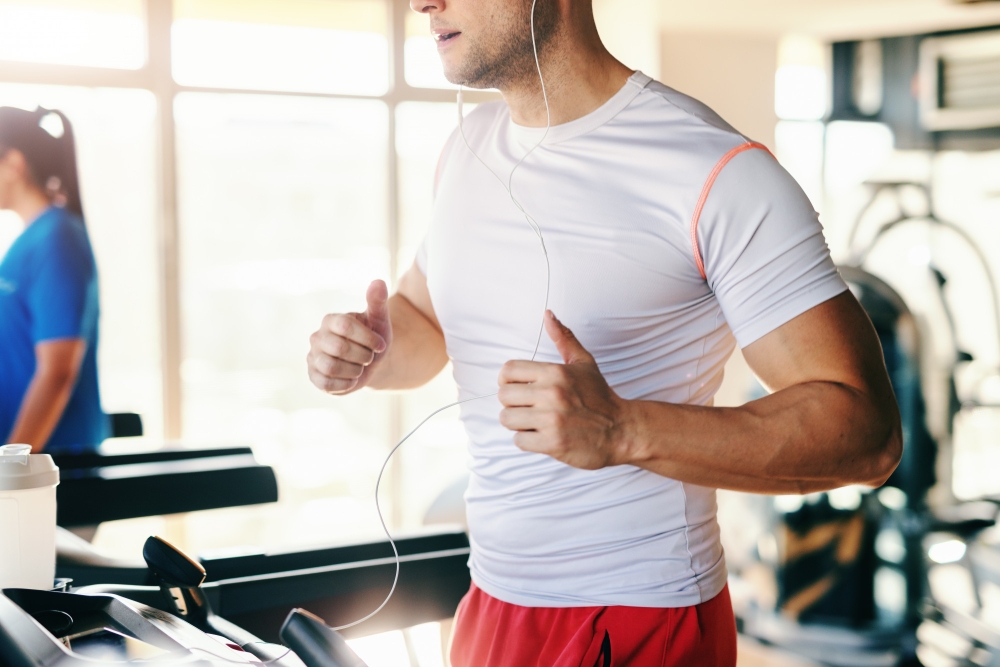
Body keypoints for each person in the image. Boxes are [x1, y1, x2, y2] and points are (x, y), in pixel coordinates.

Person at [307, 0, 903, 664]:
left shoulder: (715, 169)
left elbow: (867, 432)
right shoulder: (469, 144)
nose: (422, 2)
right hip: (492, 600)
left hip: (637, 613)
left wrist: (623, 428)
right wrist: (372, 351)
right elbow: (424, 321)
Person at [0, 106, 107, 454]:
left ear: (14, 165)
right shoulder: (31, 238)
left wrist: (12, 470)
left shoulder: (57, 239)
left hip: (51, 462)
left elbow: (58, 371)